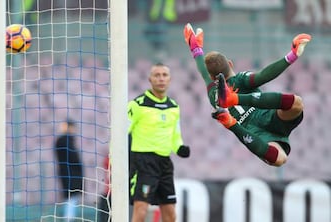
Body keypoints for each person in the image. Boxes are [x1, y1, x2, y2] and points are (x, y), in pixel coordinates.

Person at [183, 23, 311, 166]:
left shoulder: (214, 95)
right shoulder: (241, 79)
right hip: (267, 116)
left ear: (213, 78)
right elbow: (263, 76)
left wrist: (196, 51)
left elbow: (205, 74)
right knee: (297, 103)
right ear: (230, 64)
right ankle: (235, 100)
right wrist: (291, 56)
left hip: (253, 132)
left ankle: (232, 122)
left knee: (279, 159)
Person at [128, 62, 190, 222]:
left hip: (164, 163)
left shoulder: (173, 106)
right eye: (157, 75)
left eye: (164, 75)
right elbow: (122, 131)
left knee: (170, 212)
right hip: (143, 162)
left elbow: (175, 134)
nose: (161, 79)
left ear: (170, 79)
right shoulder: (137, 105)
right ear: (150, 79)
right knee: (141, 209)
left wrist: (179, 148)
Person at [54, 119, 84, 220]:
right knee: (71, 199)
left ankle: (69, 219)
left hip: (69, 176)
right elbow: (74, 158)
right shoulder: (64, 141)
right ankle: (68, 219)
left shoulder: (66, 140)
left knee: (71, 199)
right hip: (70, 176)